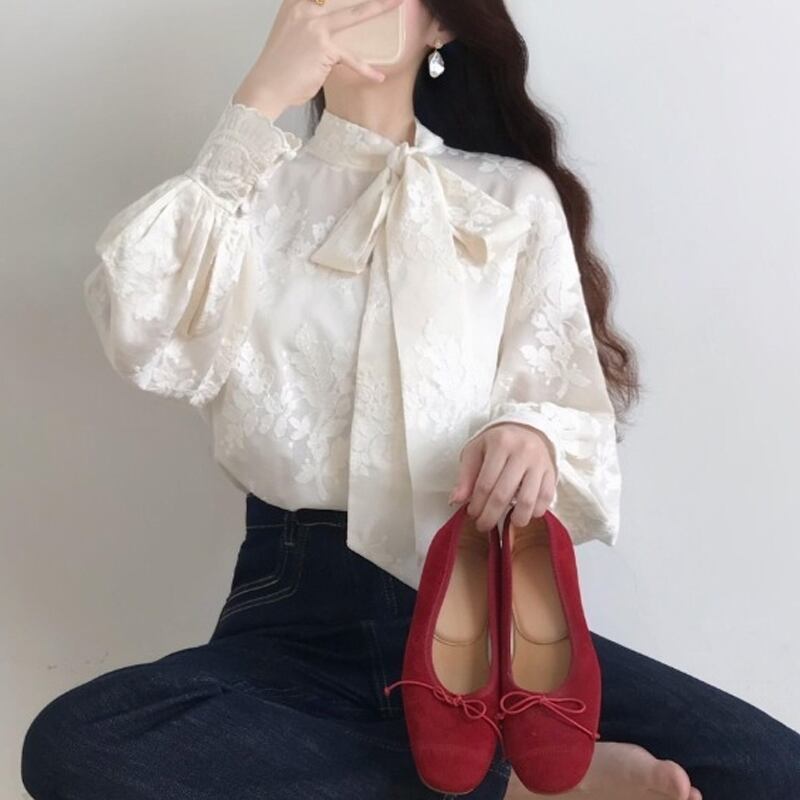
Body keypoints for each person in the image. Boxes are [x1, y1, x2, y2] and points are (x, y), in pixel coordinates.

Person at [20, 1, 800, 798]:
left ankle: (476, 768)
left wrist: (529, 433)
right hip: (297, 613)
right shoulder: (247, 190)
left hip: (489, 616)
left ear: (443, 25)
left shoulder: (512, 194)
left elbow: (560, 390)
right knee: (74, 745)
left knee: (771, 771)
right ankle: (520, 789)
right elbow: (139, 325)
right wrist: (258, 100)